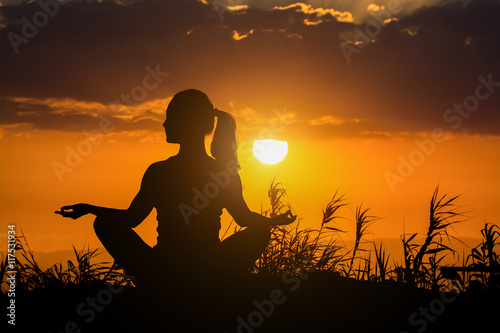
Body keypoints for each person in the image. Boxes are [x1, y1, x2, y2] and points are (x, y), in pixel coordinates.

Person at [55, 89, 296, 291]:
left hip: (163, 268)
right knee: (261, 232)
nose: (164, 123)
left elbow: (130, 219)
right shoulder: (221, 173)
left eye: (170, 117)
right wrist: (274, 221)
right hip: (209, 266)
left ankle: (159, 285)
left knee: (103, 223)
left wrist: (90, 210)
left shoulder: (160, 171)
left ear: (185, 123)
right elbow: (245, 219)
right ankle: (217, 284)